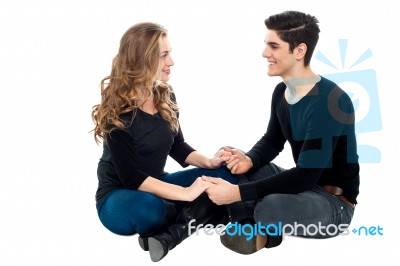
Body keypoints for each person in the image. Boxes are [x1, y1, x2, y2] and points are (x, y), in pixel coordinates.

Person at [203, 10, 360, 254]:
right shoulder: (281, 92)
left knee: (270, 206)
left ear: (299, 51)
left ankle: (252, 221)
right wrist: (250, 159)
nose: (265, 53)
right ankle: (248, 228)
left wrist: (237, 193)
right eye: (266, 45)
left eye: (274, 46)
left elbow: (306, 175)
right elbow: (272, 141)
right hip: (302, 187)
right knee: (228, 160)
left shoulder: (329, 101)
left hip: (333, 204)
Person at [91, 22, 238, 262]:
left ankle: (172, 232)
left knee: (225, 174)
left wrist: (210, 162)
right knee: (148, 209)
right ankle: (201, 214)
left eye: (170, 53)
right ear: (142, 60)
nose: (171, 62)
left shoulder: (165, 95)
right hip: (120, 198)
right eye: (164, 55)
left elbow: (178, 147)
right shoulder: (116, 113)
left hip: (158, 184)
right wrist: (187, 193)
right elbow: (132, 178)